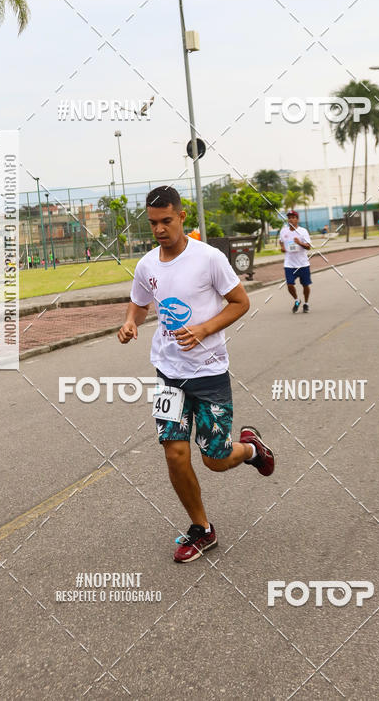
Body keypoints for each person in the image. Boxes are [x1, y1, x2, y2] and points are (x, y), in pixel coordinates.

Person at [118, 186, 275, 563]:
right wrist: (129, 323)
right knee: (174, 453)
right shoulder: (147, 266)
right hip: (169, 373)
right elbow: (139, 303)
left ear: (182, 216)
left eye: (166, 221)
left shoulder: (209, 259)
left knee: (215, 459)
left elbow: (241, 302)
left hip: (209, 373)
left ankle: (251, 449)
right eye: (153, 223)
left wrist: (205, 329)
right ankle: (201, 529)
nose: (159, 229)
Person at [278, 211, 312, 313]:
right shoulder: (283, 231)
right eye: (289, 218)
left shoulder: (303, 231)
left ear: (297, 219)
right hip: (289, 264)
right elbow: (281, 241)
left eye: (293, 217)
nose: (291, 219)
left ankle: (306, 303)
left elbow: (308, 247)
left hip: (303, 263)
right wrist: (283, 248)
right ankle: (297, 300)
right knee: (289, 284)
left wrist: (300, 243)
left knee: (305, 285)